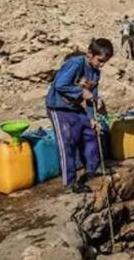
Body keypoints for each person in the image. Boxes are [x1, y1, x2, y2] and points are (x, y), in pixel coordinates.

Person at [46, 38, 113, 193]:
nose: (101, 64)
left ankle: (91, 171)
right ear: (90, 54)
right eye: (100, 60)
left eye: (105, 62)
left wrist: (91, 118)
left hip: (77, 108)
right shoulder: (75, 63)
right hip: (60, 108)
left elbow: (92, 96)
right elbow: (60, 84)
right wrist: (81, 92)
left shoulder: (96, 72)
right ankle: (69, 183)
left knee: (91, 134)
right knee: (67, 143)